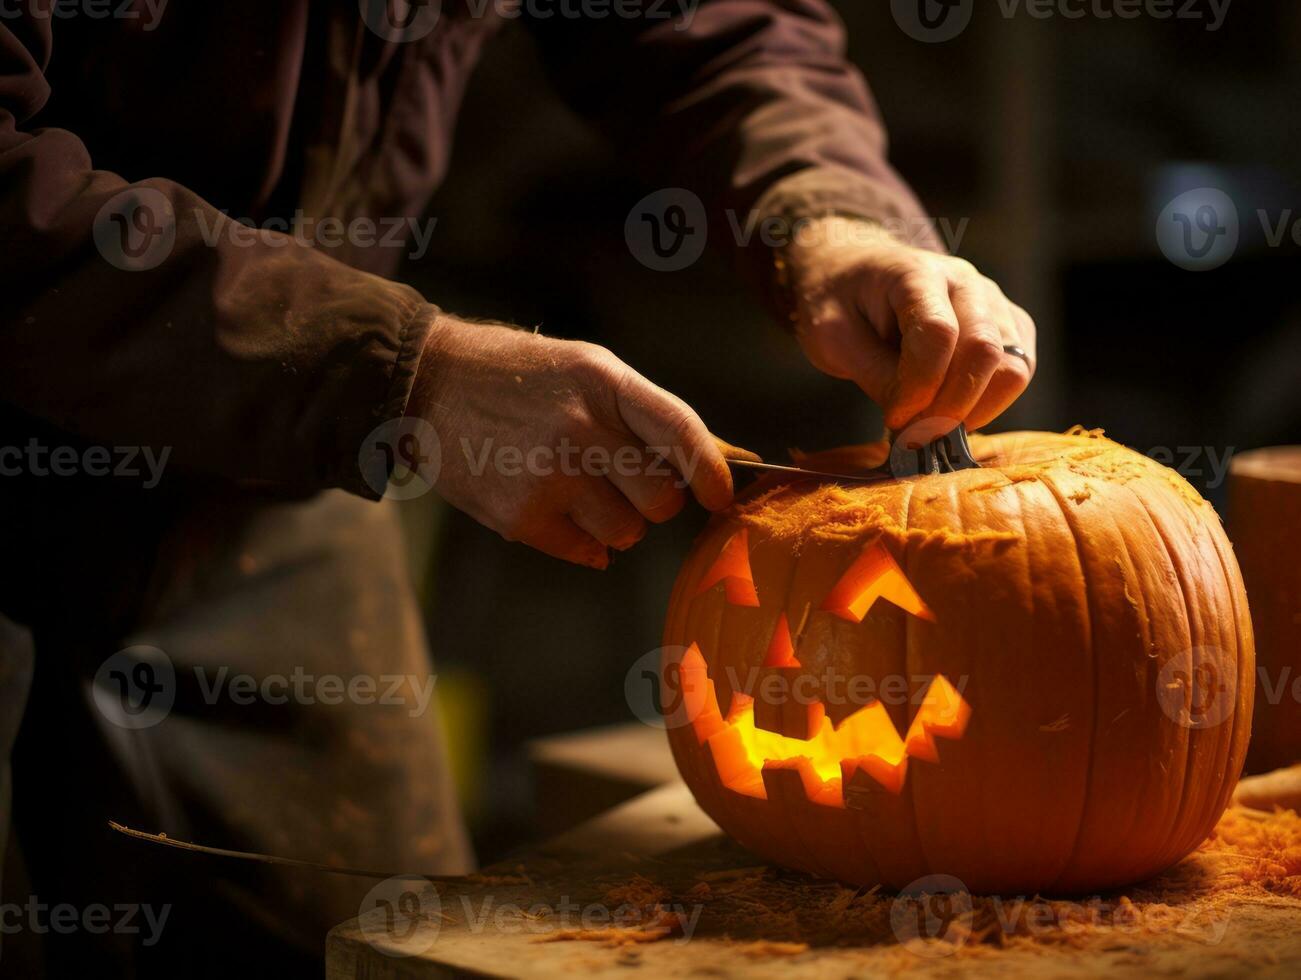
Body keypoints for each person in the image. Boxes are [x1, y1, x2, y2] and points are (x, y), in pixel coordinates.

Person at [0, 2, 1035, 975]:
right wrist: (403, 375)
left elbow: (707, 20)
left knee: (367, 950)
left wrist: (827, 209)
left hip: (267, 479)